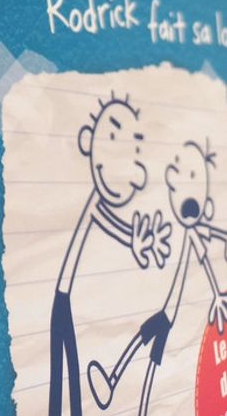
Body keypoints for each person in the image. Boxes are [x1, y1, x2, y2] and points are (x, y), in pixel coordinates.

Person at [49, 94, 171, 416]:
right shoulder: (95, 202)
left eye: (133, 151)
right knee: (64, 369)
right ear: (87, 140)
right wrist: (133, 239)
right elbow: (109, 222)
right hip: (63, 300)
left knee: (67, 369)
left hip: (65, 299)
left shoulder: (98, 202)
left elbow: (111, 224)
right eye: (113, 138)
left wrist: (135, 240)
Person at [87, 140, 227, 415]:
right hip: (170, 314)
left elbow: (211, 254)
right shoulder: (189, 235)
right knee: (147, 346)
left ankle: (128, 394)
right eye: (176, 185)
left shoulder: (198, 235)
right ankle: (114, 382)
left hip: (174, 316)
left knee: (153, 361)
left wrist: (217, 296)